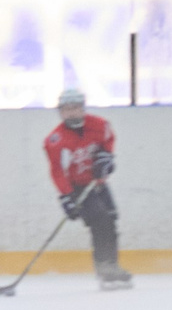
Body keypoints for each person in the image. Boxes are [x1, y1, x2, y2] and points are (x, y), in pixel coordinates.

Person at [45, 87, 130, 290]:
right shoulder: (55, 140)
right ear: (60, 111)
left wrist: (106, 158)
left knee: (111, 219)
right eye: (66, 109)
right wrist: (66, 197)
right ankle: (103, 267)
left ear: (82, 108)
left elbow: (108, 141)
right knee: (99, 221)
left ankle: (112, 265)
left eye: (75, 108)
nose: (71, 112)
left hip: (98, 184)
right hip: (77, 187)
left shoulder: (100, 125)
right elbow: (57, 171)